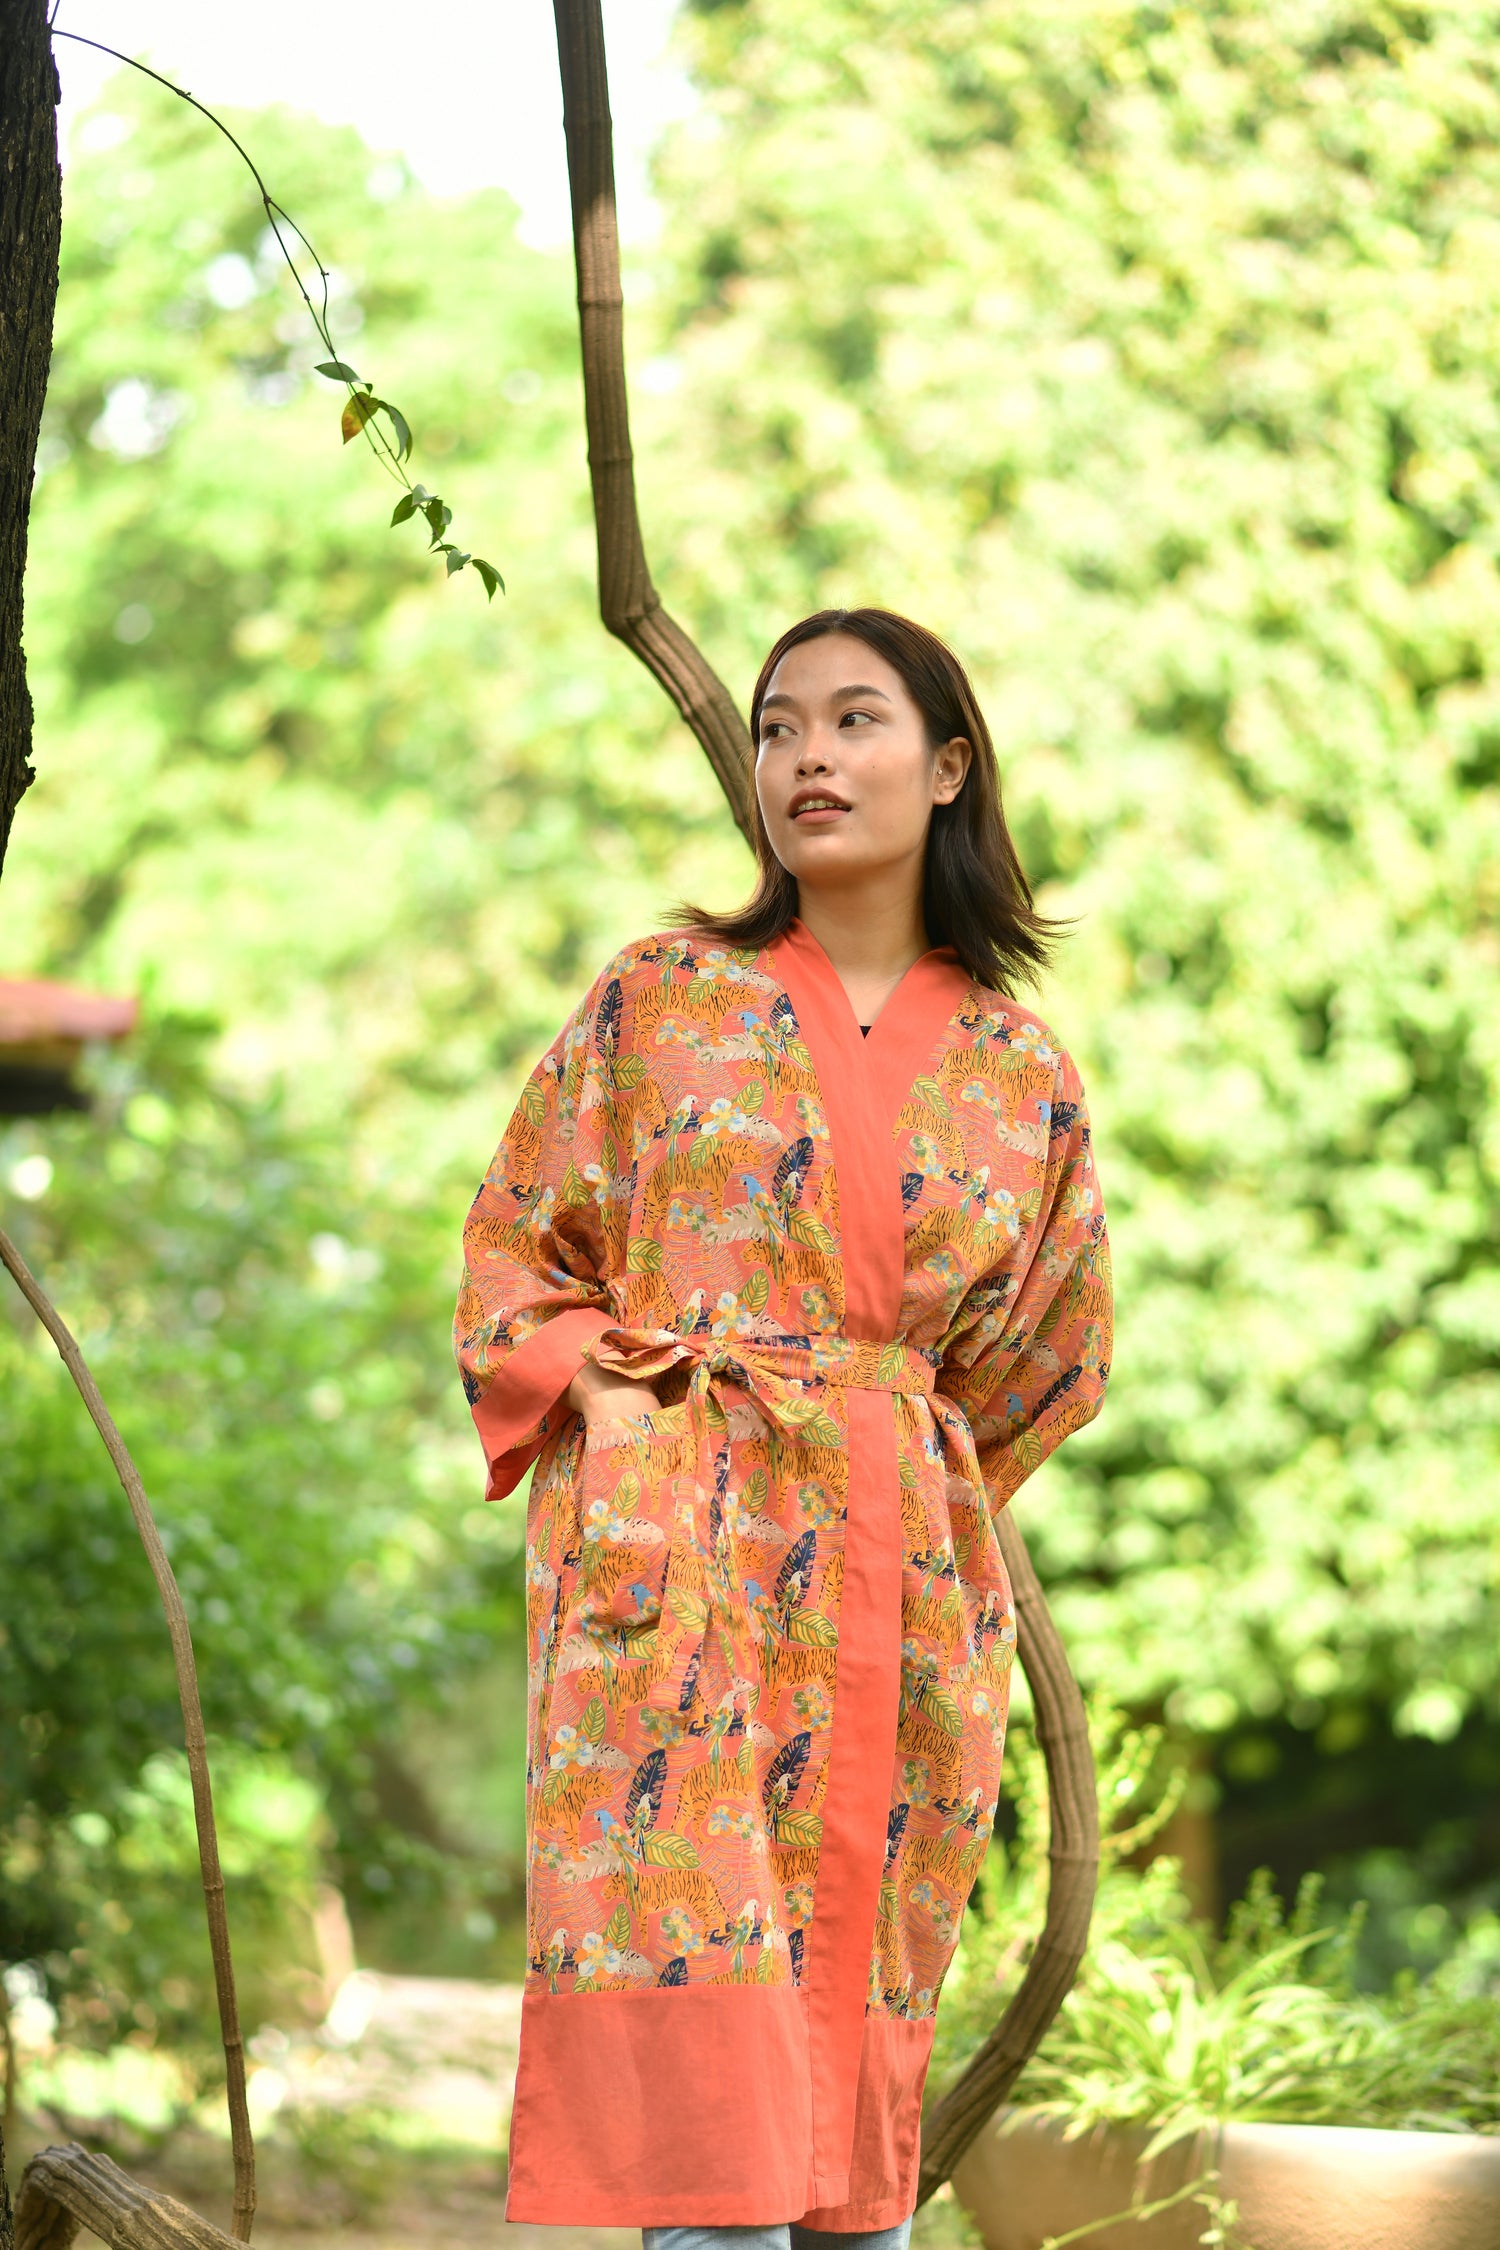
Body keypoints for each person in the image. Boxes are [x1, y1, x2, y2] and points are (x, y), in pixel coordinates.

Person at [454, 608, 1112, 2250]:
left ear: (947, 767)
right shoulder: (661, 997)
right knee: (708, 2103)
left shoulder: (1023, 1070)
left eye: (853, 719)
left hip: (897, 1595)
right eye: (776, 726)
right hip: (671, 1576)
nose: (807, 756)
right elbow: (516, 1248)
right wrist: (612, 1397)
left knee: (851, 2074)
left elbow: (1050, 1353)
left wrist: (889, 1464)